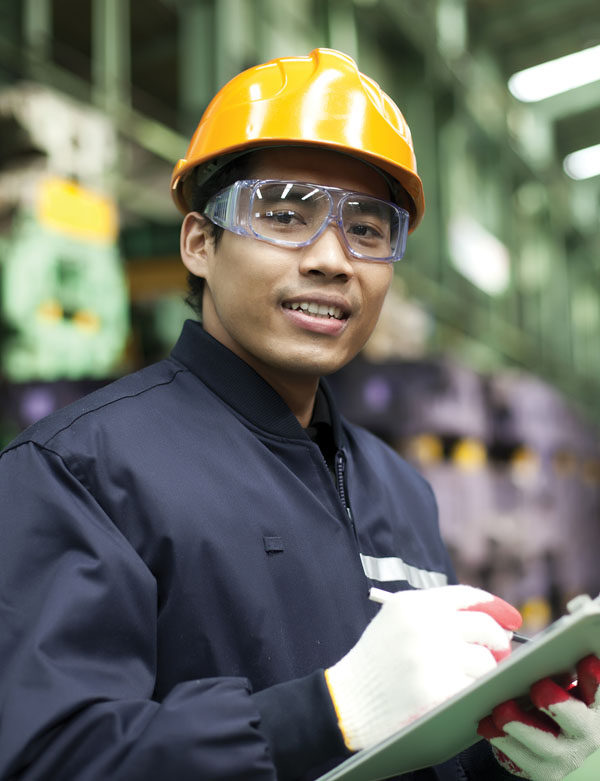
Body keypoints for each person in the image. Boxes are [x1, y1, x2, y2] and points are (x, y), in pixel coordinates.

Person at [0, 47, 598, 781]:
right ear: (198, 242)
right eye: (284, 214)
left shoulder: (397, 486)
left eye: (369, 230)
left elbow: (420, 741)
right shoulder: (79, 471)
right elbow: (51, 759)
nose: (332, 258)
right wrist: (327, 712)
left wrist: (526, 745)